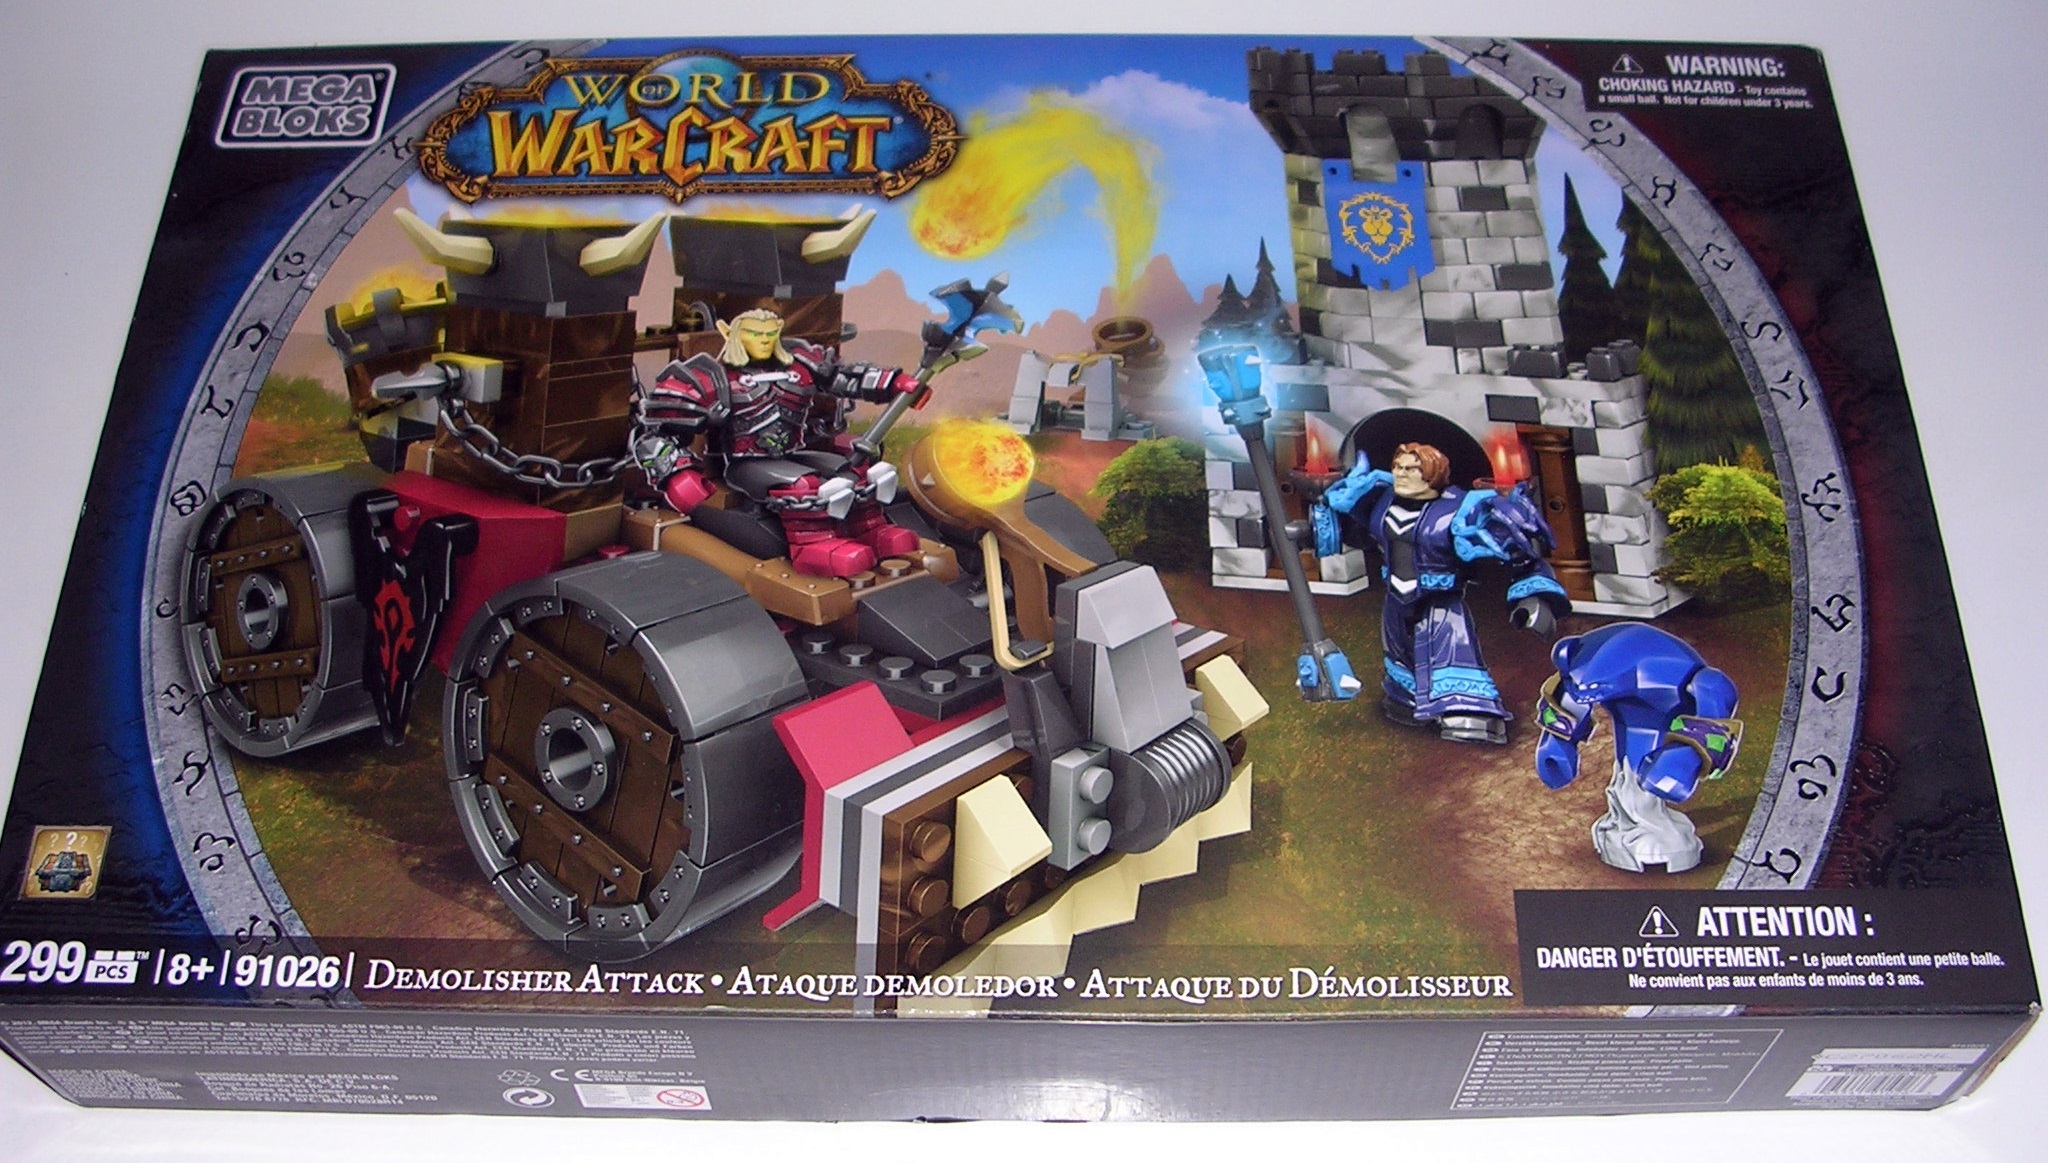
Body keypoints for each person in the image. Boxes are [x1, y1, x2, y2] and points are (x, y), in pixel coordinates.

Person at [633, 308, 927, 577]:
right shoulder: (712, 376)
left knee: (855, 470)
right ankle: (811, 547)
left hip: (792, 452)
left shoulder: (799, 363)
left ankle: (870, 531)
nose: (764, 340)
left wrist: (893, 383)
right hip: (746, 462)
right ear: (731, 334)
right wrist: (677, 474)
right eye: (754, 333)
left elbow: (843, 377)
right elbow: (660, 432)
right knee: (804, 485)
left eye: (770, 333)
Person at [1318, 441, 1570, 743]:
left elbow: (1520, 554)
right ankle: (1406, 701)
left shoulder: (1460, 509)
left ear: (1433, 473)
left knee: (1451, 655)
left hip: (1441, 603)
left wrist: (1533, 597)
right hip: (1395, 601)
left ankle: (1468, 717)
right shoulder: (1381, 501)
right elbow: (1353, 531)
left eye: (1412, 468)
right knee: (1400, 659)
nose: (1401, 474)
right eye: (1397, 467)